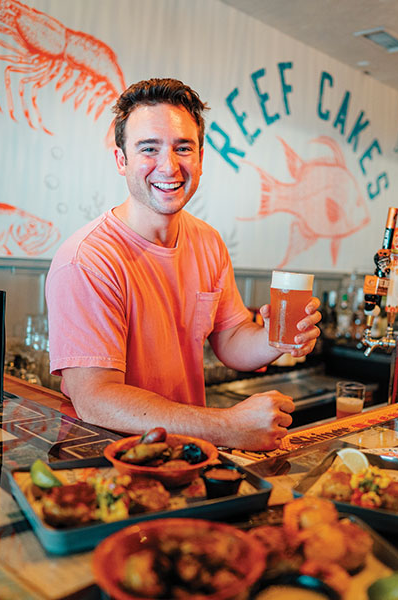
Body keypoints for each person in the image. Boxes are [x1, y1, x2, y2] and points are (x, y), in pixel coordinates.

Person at [45, 78, 321, 451]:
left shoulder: (207, 241)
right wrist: (228, 425)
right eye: (149, 149)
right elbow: (95, 398)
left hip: (187, 458)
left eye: (183, 148)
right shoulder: (88, 259)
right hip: (111, 465)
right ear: (121, 160)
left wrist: (276, 338)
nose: (169, 165)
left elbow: (232, 338)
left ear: (201, 159)